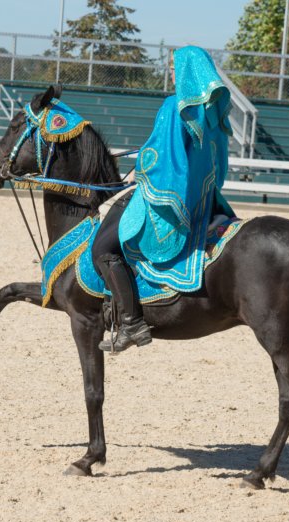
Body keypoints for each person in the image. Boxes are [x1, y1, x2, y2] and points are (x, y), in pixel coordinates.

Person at [92, 45, 235, 352]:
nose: (171, 72)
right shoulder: (216, 116)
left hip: (169, 201)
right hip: (203, 202)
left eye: (174, 67)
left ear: (185, 71)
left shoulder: (174, 107)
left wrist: (136, 173)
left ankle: (132, 323)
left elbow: (160, 159)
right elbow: (218, 166)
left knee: (104, 249)